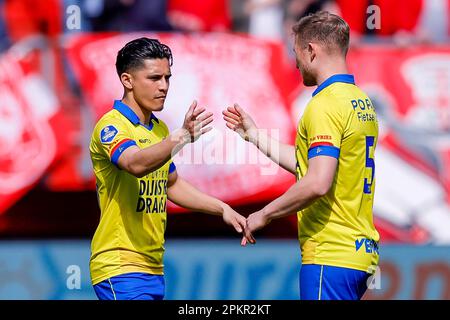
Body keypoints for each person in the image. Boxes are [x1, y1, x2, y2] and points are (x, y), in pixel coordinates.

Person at [223, 11, 379, 300]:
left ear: (311, 50)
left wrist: (264, 214)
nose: (295, 63)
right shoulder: (360, 101)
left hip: (330, 255)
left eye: (295, 52)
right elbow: (309, 163)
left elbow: (318, 182)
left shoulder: (324, 105)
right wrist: (254, 135)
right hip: (359, 253)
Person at [89, 37, 250, 300]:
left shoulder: (159, 129)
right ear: (127, 80)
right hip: (119, 265)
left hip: (153, 268)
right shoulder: (111, 126)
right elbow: (134, 163)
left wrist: (222, 208)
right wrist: (181, 137)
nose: (163, 87)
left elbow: (171, 184)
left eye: (167, 78)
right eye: (154, 78)